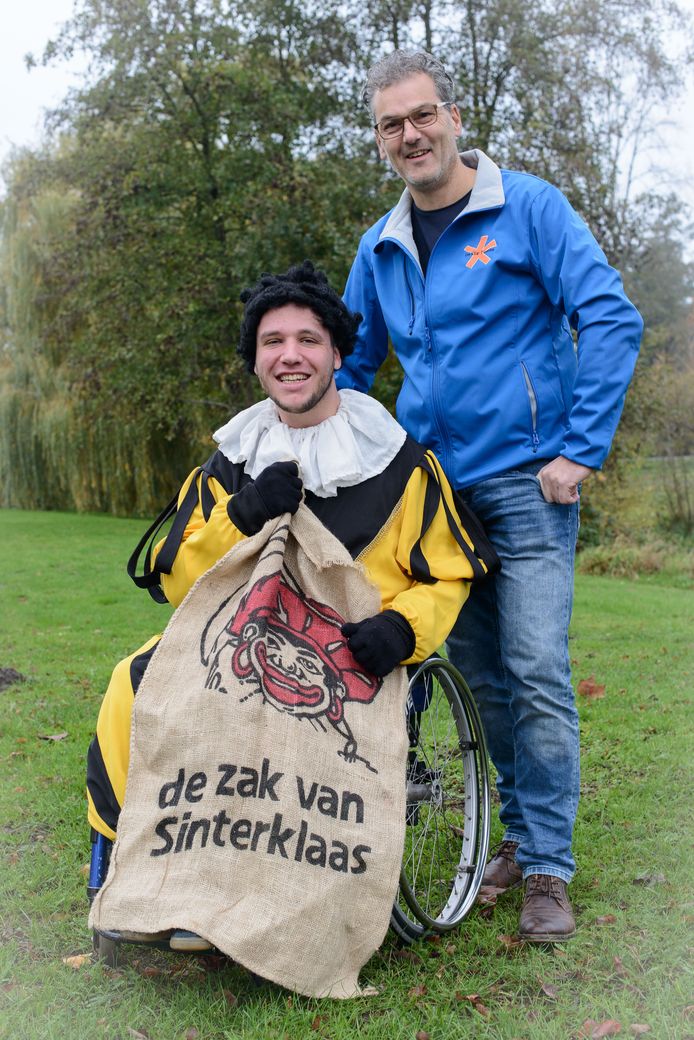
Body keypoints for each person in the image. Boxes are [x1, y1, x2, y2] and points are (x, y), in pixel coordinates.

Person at [86, 260, 497, 952]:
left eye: (308, 339)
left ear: (336, 353)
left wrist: (403, 629)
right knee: (133, 681)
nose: (290, 355)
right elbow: (183, 586)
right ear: (255, 362)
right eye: (272, 342)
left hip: (354, 656)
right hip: (246, 639)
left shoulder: (400, 464)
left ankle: (249, 902)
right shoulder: (230, 462)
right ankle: (133, 880)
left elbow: (448, 574)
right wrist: (241, 514)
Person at [335, 50, 643, 941]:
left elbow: (610, 315)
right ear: (380, 139)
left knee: (537, 667)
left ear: (454, 118)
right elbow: (350, 364)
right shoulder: (381, 246)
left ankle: (547, 867)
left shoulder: (529, 208)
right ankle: (514, 835)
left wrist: (579, 450)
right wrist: (329, 451)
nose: (411, 135)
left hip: (531, 481)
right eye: (392, 124)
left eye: (422, 115)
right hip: (434, 499)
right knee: (484, 680)